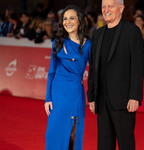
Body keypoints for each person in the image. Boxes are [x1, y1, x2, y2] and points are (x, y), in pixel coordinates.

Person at [87, 0, 144, 150]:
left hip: (123, 100)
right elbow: (93, 67)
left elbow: (138, 66)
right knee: (104, 144)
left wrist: (135, 96)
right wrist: (92, 96)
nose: (106, 10)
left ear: (121, 8)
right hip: (101, 100)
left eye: (110, 6)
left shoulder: (132, 31)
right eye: (103, 6)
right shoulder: (98, 34)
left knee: (126, 144)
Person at [44, 5, 91, 150]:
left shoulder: (88, 44)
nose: (68, 21)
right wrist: (48, 98)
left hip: (75, 94)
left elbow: (95, 71)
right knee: (52, 134)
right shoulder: (57, 43)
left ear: (79, 21)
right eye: (65, 18)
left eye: (72, 18)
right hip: (57, 96)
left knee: (72, 134)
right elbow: (51, 73)